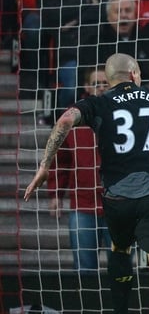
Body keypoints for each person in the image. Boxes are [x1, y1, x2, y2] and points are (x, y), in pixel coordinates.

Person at [24, 53, 149, 314]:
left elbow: (65, 119)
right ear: (134, 74)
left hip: (119, 199)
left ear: (109, 78)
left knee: (119, 248)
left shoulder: (99, 102)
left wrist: (44, 165)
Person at [46, 67, 111, 271]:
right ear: (86, 86)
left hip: (118, 206)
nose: (100, 87)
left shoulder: (124, 115)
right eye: (95, 83)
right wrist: (56, 193)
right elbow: (61, 160)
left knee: (121, 269)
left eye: (105, 83)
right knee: (84, 270)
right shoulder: (73, 117)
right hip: (83, 205)